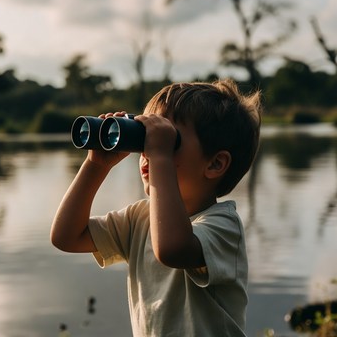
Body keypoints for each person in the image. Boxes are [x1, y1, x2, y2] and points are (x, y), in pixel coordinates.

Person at [51, 79, 262, 337]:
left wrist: (159, 156)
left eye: (168, 139)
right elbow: (66, 236)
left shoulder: (223, 226)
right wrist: (96, 166)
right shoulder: (138, 219)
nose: (148, 152)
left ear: (215, 164)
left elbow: (172, 249)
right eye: (145, 140)